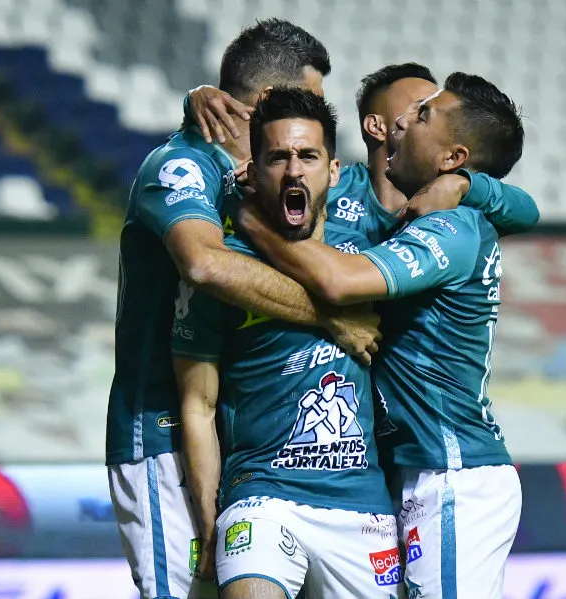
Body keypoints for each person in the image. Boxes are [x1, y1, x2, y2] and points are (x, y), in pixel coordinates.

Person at [106, 20, 381, 599]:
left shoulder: (258, 181)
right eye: (307, 99)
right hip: (163, 433)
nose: (309, 117)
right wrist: (328, 315)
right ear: (261, 105)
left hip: (240, 441)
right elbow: (205, 266)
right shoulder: (181, 167)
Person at [239, 73, 527, 599]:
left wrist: (249, 220)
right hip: (416, 471)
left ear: (451, 157)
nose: (403, 120)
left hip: (453, 471)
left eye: (422, 115)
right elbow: (524, 209)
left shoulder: (452, 228)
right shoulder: (413, 212)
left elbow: (337, 280)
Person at [174, 88, 402, 599]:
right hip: (262, 498)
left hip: (362, 506)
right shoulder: (226, 271)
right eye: (278, 156)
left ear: (335, 170)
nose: (294, 170)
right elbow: (198, 403)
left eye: (308, 156)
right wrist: (210, 524)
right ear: (252, 173)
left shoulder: (368, 253)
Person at [188, 64, 539, 248]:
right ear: (377, 126)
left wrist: (464, 183)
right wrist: (195, 100)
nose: (413, 118)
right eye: (419, 108)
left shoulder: (457, 203)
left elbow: (526, 212)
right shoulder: (331, 183)